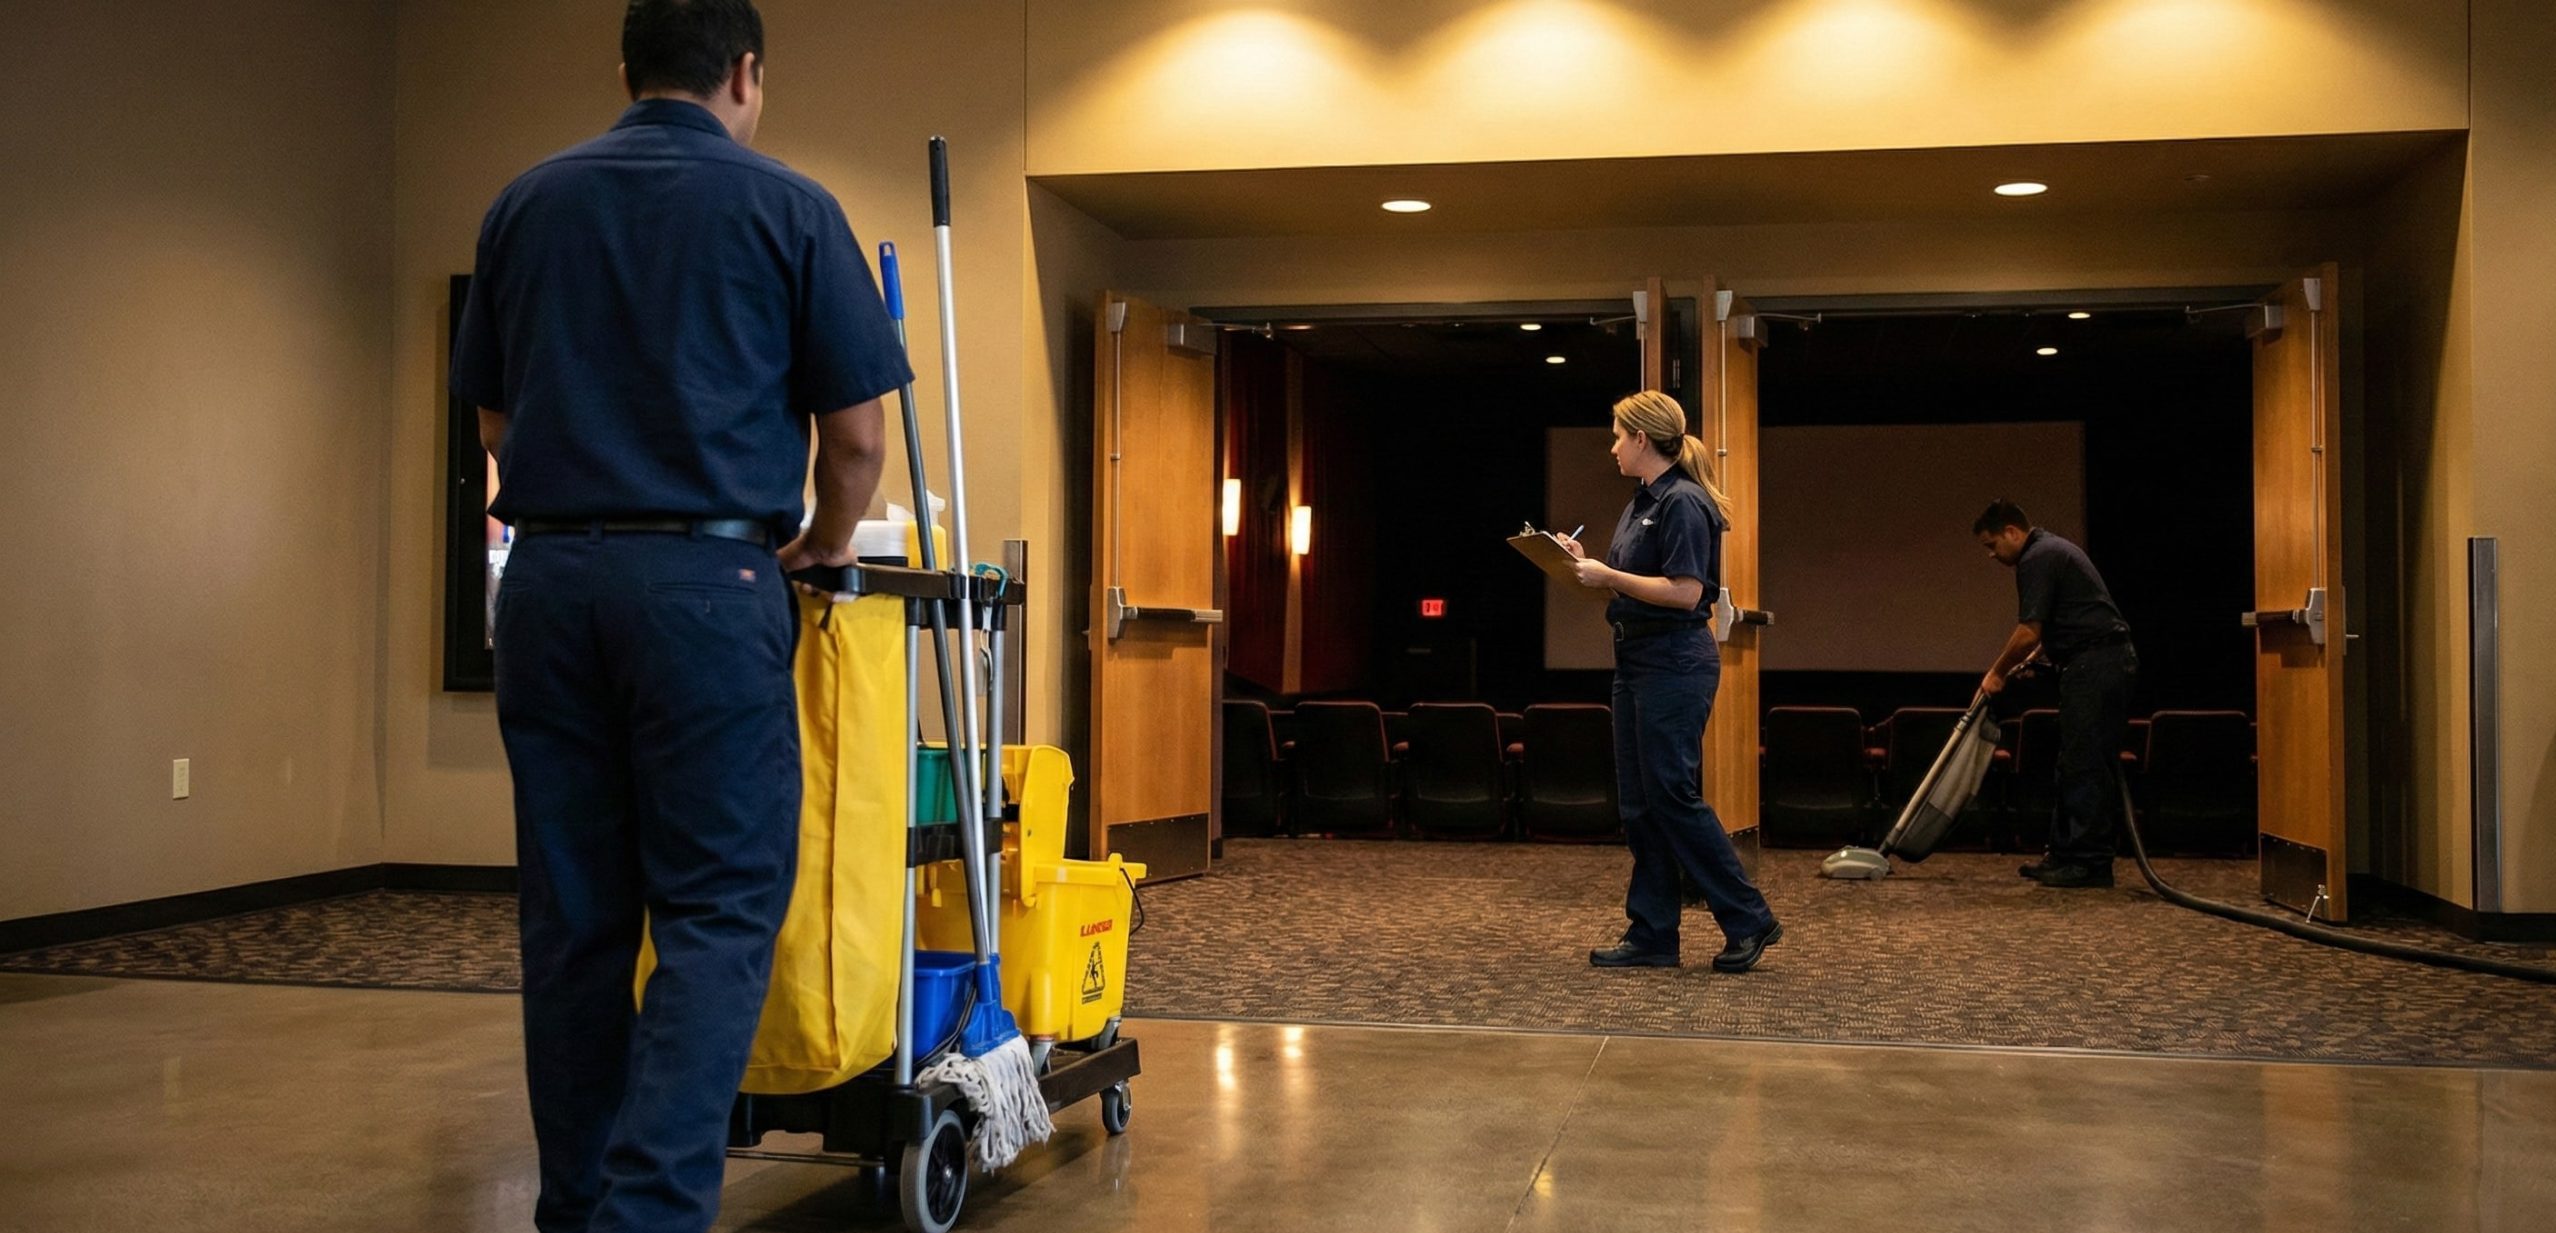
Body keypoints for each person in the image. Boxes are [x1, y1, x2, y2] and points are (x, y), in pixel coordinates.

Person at [449, 2, 906, 1229]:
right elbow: (858, 438)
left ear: (624, 72)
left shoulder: (525, 204)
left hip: (545, 586)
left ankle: (578, 1205)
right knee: (713, 912)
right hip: (711, 587)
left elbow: (495, 426)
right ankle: (648, 1215)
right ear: (746, 72)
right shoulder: (791, 208)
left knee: (576, 919)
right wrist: (816, 540)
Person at [1561, 391, 1783, 972]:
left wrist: (1608, 573)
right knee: (1640, 803)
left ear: (1641, 439)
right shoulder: (1643, 502)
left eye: (1616, 436)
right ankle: (1654, 933)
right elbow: (1638, 581)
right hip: (1636, 658)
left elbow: (1686, 593)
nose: (1611, 447)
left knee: (1673, 795)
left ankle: (1749, 917)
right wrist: (1586, 565)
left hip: (1674, 661)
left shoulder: (1683, 502)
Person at [1974, 499, 2137, 889]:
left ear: (2013, 532)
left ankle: (2089, 863)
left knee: (2086, 763)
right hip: (2092, 664)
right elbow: (2066, 619)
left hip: (2098, 665)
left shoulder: (2038, 557)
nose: (1992, 555)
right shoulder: (2050, 550)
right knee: (2073, 761)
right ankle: (2066, 855)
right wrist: (2038, 656)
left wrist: (1996, 673)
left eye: (1992, 545)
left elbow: (2029, 629)